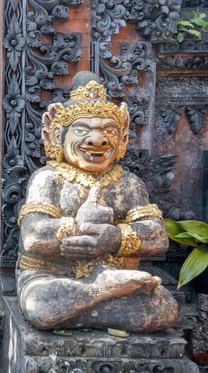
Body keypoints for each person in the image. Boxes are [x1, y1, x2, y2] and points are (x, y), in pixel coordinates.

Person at [16, 71, 178, 333]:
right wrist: (80, 228)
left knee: (165, 308)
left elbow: (158, 237)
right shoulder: (48, 178)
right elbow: (33, 237)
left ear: (122, 138)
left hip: (113, 273)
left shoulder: (129, 183)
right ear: (59, 136)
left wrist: (114, 238)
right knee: (40, 304)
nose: (98, 140)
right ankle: (101, 291)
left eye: (108, 130)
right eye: (83, 130)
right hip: (52, 277)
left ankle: (82, 303)